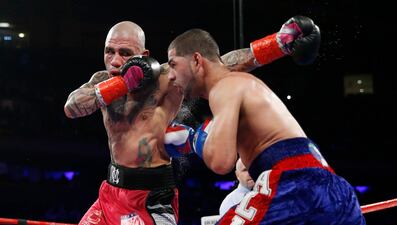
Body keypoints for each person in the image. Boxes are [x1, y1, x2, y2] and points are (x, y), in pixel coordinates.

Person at [64, 21, 287, 225]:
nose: (114, 60)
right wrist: (121, 85)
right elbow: (71, 107)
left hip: (150, 198)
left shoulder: (165, 78)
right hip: (110, 193)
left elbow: (220, 65)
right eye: (109, 51)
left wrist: (277, 44)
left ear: (143, 55)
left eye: (125, 53)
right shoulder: (102, 80)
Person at [167, 16, 366, 224]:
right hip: (335, 191)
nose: (171, 76)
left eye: (173, 64)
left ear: (197, 61)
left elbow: (221, 161)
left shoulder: (224, 88)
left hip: (292, 185)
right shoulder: (242, 84)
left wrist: (193, 138)